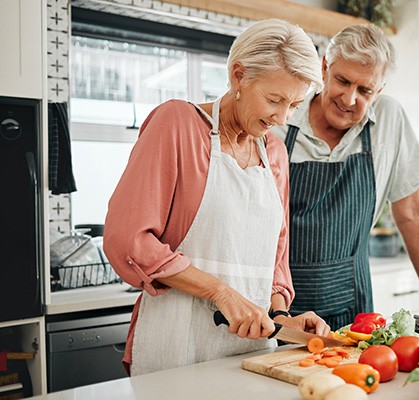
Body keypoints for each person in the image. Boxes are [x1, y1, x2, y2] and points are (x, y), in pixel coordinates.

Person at [103, 19, 328, 376]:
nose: (282, 117)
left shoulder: (274, 153)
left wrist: (283, 317)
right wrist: (221, 293)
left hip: (252, 353)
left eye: (295, 104)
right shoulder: (176, 123)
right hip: (176, 347)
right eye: (274, 99)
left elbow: (276, 257)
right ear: (239, 76)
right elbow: (128, 239)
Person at [272, 23, 419, 329]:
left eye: (365, 90)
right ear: (325, 67)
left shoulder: (389, 119)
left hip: (353, 303)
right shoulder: (280, 121)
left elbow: (410, 210)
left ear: (379, 90)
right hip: (280, 304)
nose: (350, 99)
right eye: (342, 80)